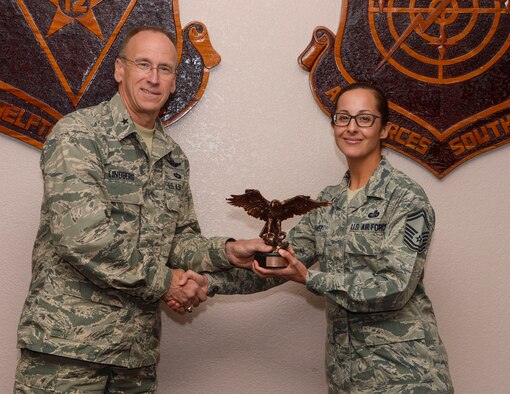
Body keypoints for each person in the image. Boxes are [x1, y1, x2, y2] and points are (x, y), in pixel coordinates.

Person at [14, 26, 271, 393]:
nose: (153, 78)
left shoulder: (173, 158)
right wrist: (168, 283)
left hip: (134, 356)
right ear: (120, 70)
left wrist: (226, 251)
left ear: (173, 81)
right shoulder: (79, 134)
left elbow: (178, 242)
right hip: (68, 351)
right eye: (143, 64)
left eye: (165, 69)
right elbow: (83, 237)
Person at [180, 83, 454, 393]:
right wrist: (208, 284)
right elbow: (281, 266)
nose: (352, 128)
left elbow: (395, 288)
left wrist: (311, 278)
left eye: (365, 118)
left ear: (385, 129)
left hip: (406, 376)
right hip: (347, 375)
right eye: (343, 117)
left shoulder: (406, 199)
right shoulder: (327, 202)